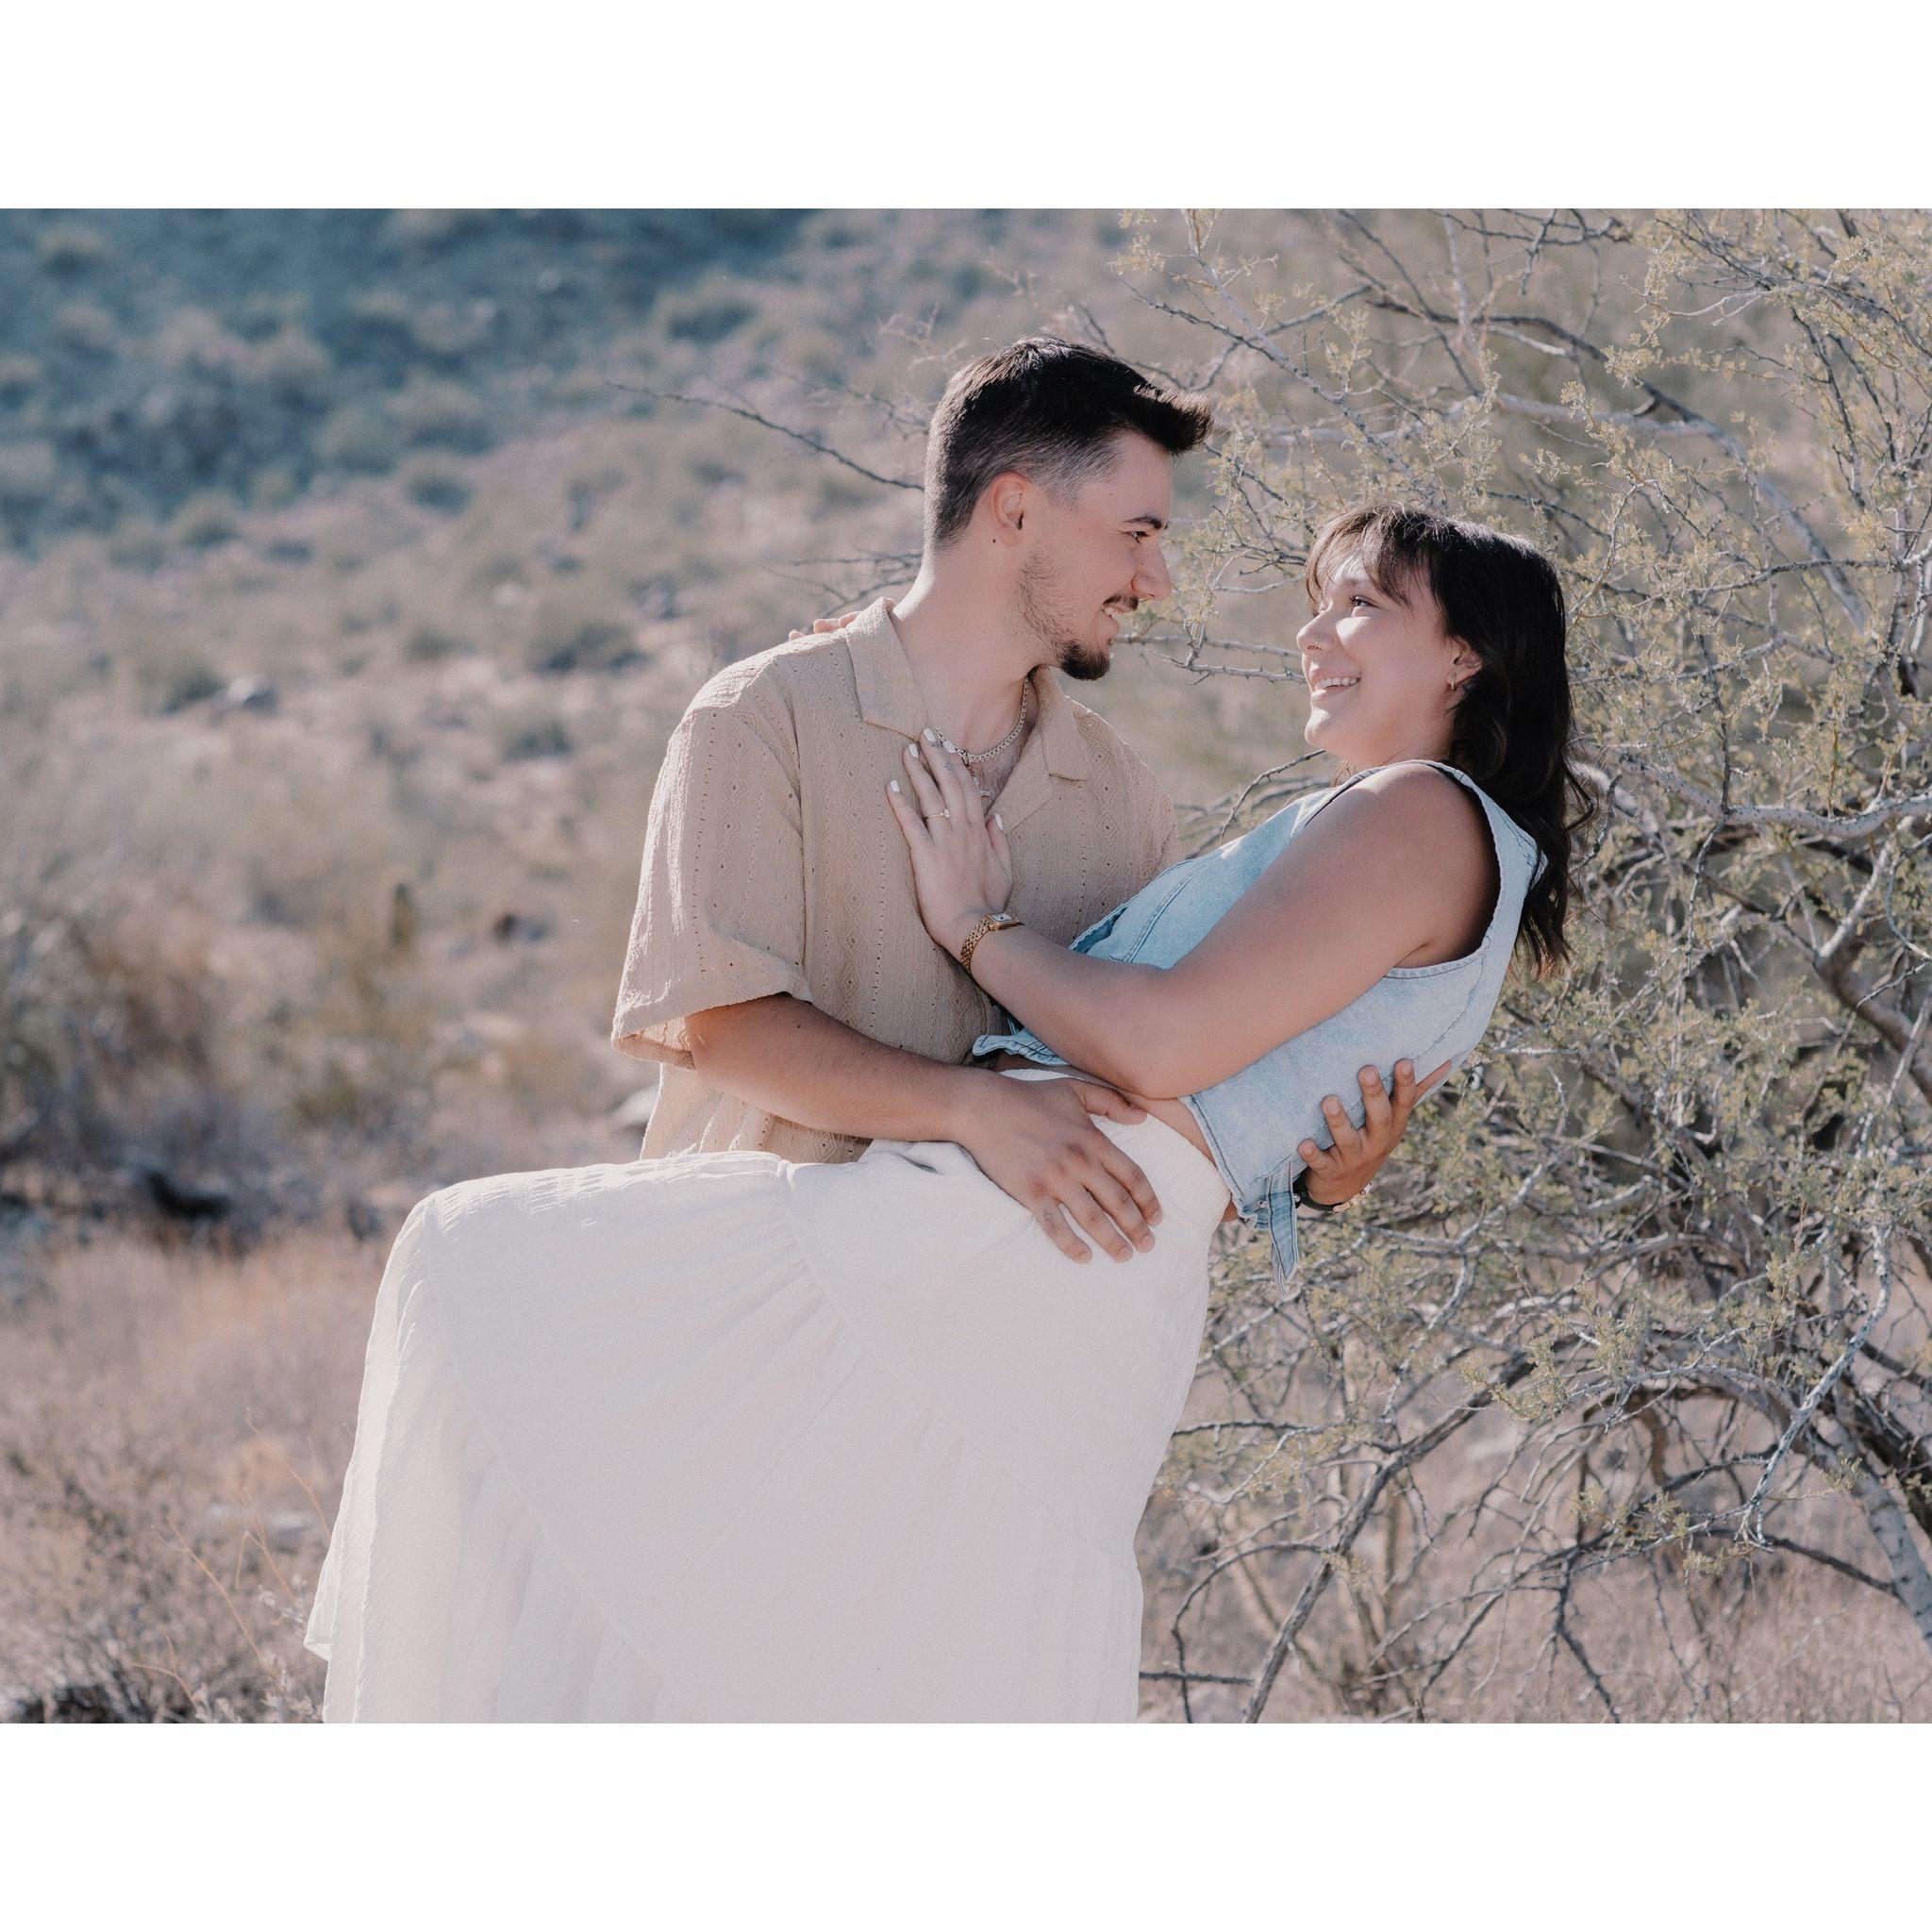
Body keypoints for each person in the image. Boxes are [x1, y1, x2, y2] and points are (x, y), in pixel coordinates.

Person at [302, 492, 1585, 1721]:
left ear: (1465, 655)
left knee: (478, 1272)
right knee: (875, 1639)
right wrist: (878, 681)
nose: (1311, 633)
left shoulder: (1419, 812)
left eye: (1360, 605)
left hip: (1018, 1245)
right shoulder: (1422, 835)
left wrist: (974, 923)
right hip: (1061, 1251)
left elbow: (1160, 1043)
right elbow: (1265, 1090)